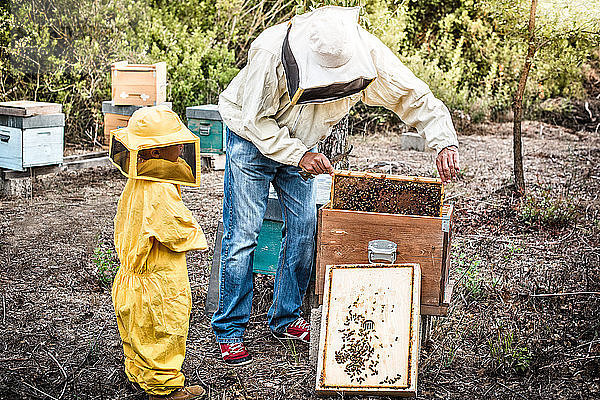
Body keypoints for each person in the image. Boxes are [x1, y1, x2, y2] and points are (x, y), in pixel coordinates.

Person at [212, 5, 460, 366]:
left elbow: (413, 95)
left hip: (303, 146)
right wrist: (297, 155)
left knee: (305, 229)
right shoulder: (270, 52)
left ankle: (286, 318)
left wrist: (443, 140)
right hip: (252, 141)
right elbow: (252, 119)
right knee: (244, 236)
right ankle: (230, 330)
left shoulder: (365, 50)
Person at [110, 106, 208, 399]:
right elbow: (178, 232)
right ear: (152, 152)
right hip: (157, 283)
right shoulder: (159, 190)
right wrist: (197, 233)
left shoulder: (137, 182)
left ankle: (140, 377)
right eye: (173, 142)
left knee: (138, 334)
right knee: (163, 334)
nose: (180, 145)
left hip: (131, 278)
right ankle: (164, 392)